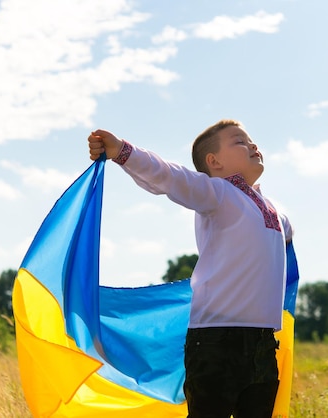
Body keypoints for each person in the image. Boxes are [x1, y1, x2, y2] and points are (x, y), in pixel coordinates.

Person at [87, 119, 293, 418]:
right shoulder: (217, 194)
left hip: (263, 344)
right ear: (214, 162)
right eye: (239, 141)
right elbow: (170, 176)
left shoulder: (270, 207)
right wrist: (122, 151)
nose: (252, 145)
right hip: (216, 343)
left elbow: (286, 230)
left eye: (251, 140)